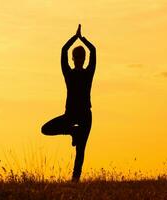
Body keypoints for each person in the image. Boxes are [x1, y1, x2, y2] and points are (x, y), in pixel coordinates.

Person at [41, 24, 96, 182]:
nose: (78, 60)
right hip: (71, 115)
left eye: (80, 58)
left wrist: (79, 38)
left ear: (83, 59)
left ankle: (75, 181)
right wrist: (78, 37)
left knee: (80, 150)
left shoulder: (87, 73)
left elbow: (91, 51)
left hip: (85, 115)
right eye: (77, 57)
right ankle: (73, 132)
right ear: (73, 59)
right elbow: (65, 51)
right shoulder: (70, 73)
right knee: (45, 129)